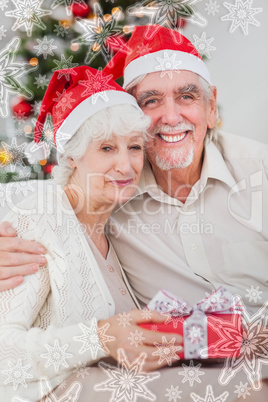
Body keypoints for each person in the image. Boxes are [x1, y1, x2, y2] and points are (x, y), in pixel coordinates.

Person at [1, 25, 268, 400]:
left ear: (211, 107)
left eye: (186, 96)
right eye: (152, 101)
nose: (126, 166)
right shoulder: (59, 211)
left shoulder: (259, 173)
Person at [0, 66, 183, 400]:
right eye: (106, 149)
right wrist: (98, 337)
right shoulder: (41, 216)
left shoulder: (113, 224)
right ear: (71, 155)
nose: (126, 167)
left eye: (135, 148)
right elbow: (3, 355)